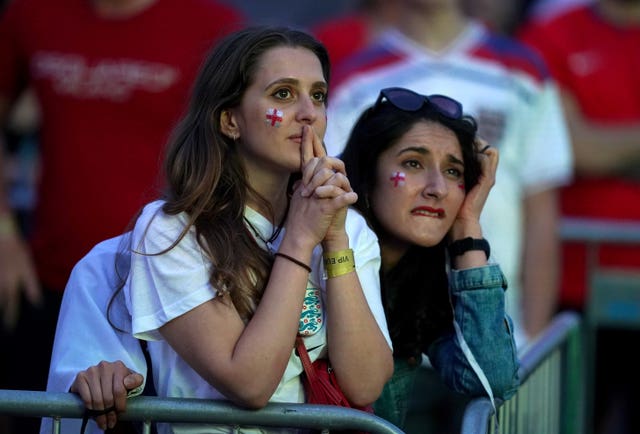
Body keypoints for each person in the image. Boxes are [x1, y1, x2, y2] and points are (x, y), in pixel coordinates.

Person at [41, 25, 394, 434]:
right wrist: (300, 238)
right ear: (230, 120)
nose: (309, 113)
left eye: (317, 95)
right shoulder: (172, 229)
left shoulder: (346, 226)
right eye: (283, 94)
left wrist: (334, 239)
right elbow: (250, 384)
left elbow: (366, 384)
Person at [0, 1, 243, 432]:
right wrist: (3, 232)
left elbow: (241, 145)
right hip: (45, 279)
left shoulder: (211, 25)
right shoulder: (32, 13)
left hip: (170, 298)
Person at [324, 0, 574, 349]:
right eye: (412, 163)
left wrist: (532, 334)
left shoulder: (524, 69)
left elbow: (541, 208)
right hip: (382, 328)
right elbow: (341, 198)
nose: (439, 187)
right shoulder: (355, 77)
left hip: (501, 328)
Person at [339, 86, 519, 430]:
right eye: (413, 163)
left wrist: (467, 225)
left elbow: (490, 379)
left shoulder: (418, 281)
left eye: (453, 172)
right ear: (366, 172)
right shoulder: (318, 261)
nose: (436, 187)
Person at [518, 2, 640, 432]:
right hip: (576, 286)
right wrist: (593, 150)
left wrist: (609, 150)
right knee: (573, 421)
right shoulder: (553, 34)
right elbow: (576, 147)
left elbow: (591, 147)